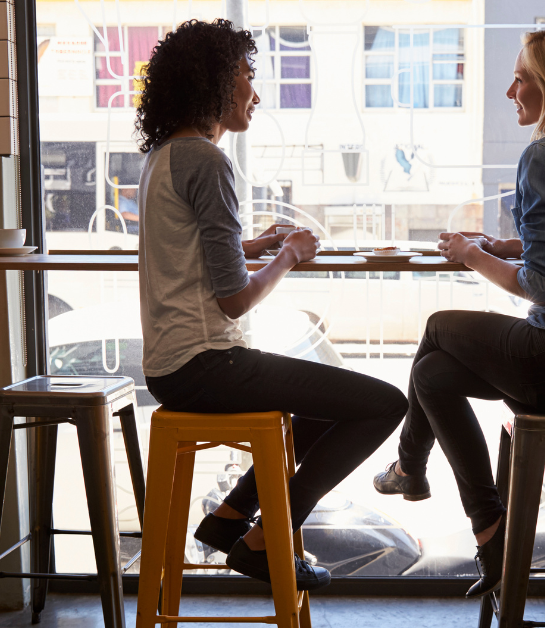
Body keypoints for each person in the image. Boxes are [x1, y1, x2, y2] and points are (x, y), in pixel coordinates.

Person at [372, 26, 545, 597]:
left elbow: (543, 287)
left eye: (521, 78)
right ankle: (487, 530)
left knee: (438, 327)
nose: (509, 90)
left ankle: (411, 469)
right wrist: (505, 246)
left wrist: (472, 255)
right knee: (431, 373)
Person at [135, 19, 408, 591]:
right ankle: (264, 542)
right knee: (384, 404)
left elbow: (188, 251)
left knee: (323, 399)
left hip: (169, 367)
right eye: (245, 75)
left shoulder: (164, 157)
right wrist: (286, 254)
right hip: (208, 363)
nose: (254, 93)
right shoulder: (209, 163)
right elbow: (234, 300)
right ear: (213, 83)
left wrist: (249, 244)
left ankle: (231, 515)